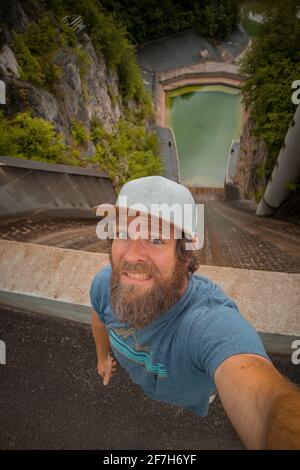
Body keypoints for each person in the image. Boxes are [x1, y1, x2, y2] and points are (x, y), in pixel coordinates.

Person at [90, 175, 300, 450]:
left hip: (189, 399)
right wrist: (102, 357)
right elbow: (98, 315)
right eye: (123, 233)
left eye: (155, 238)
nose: (131, 255)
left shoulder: (207, 321)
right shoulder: (105, 283)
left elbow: (265, 407)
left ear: (185, 253)